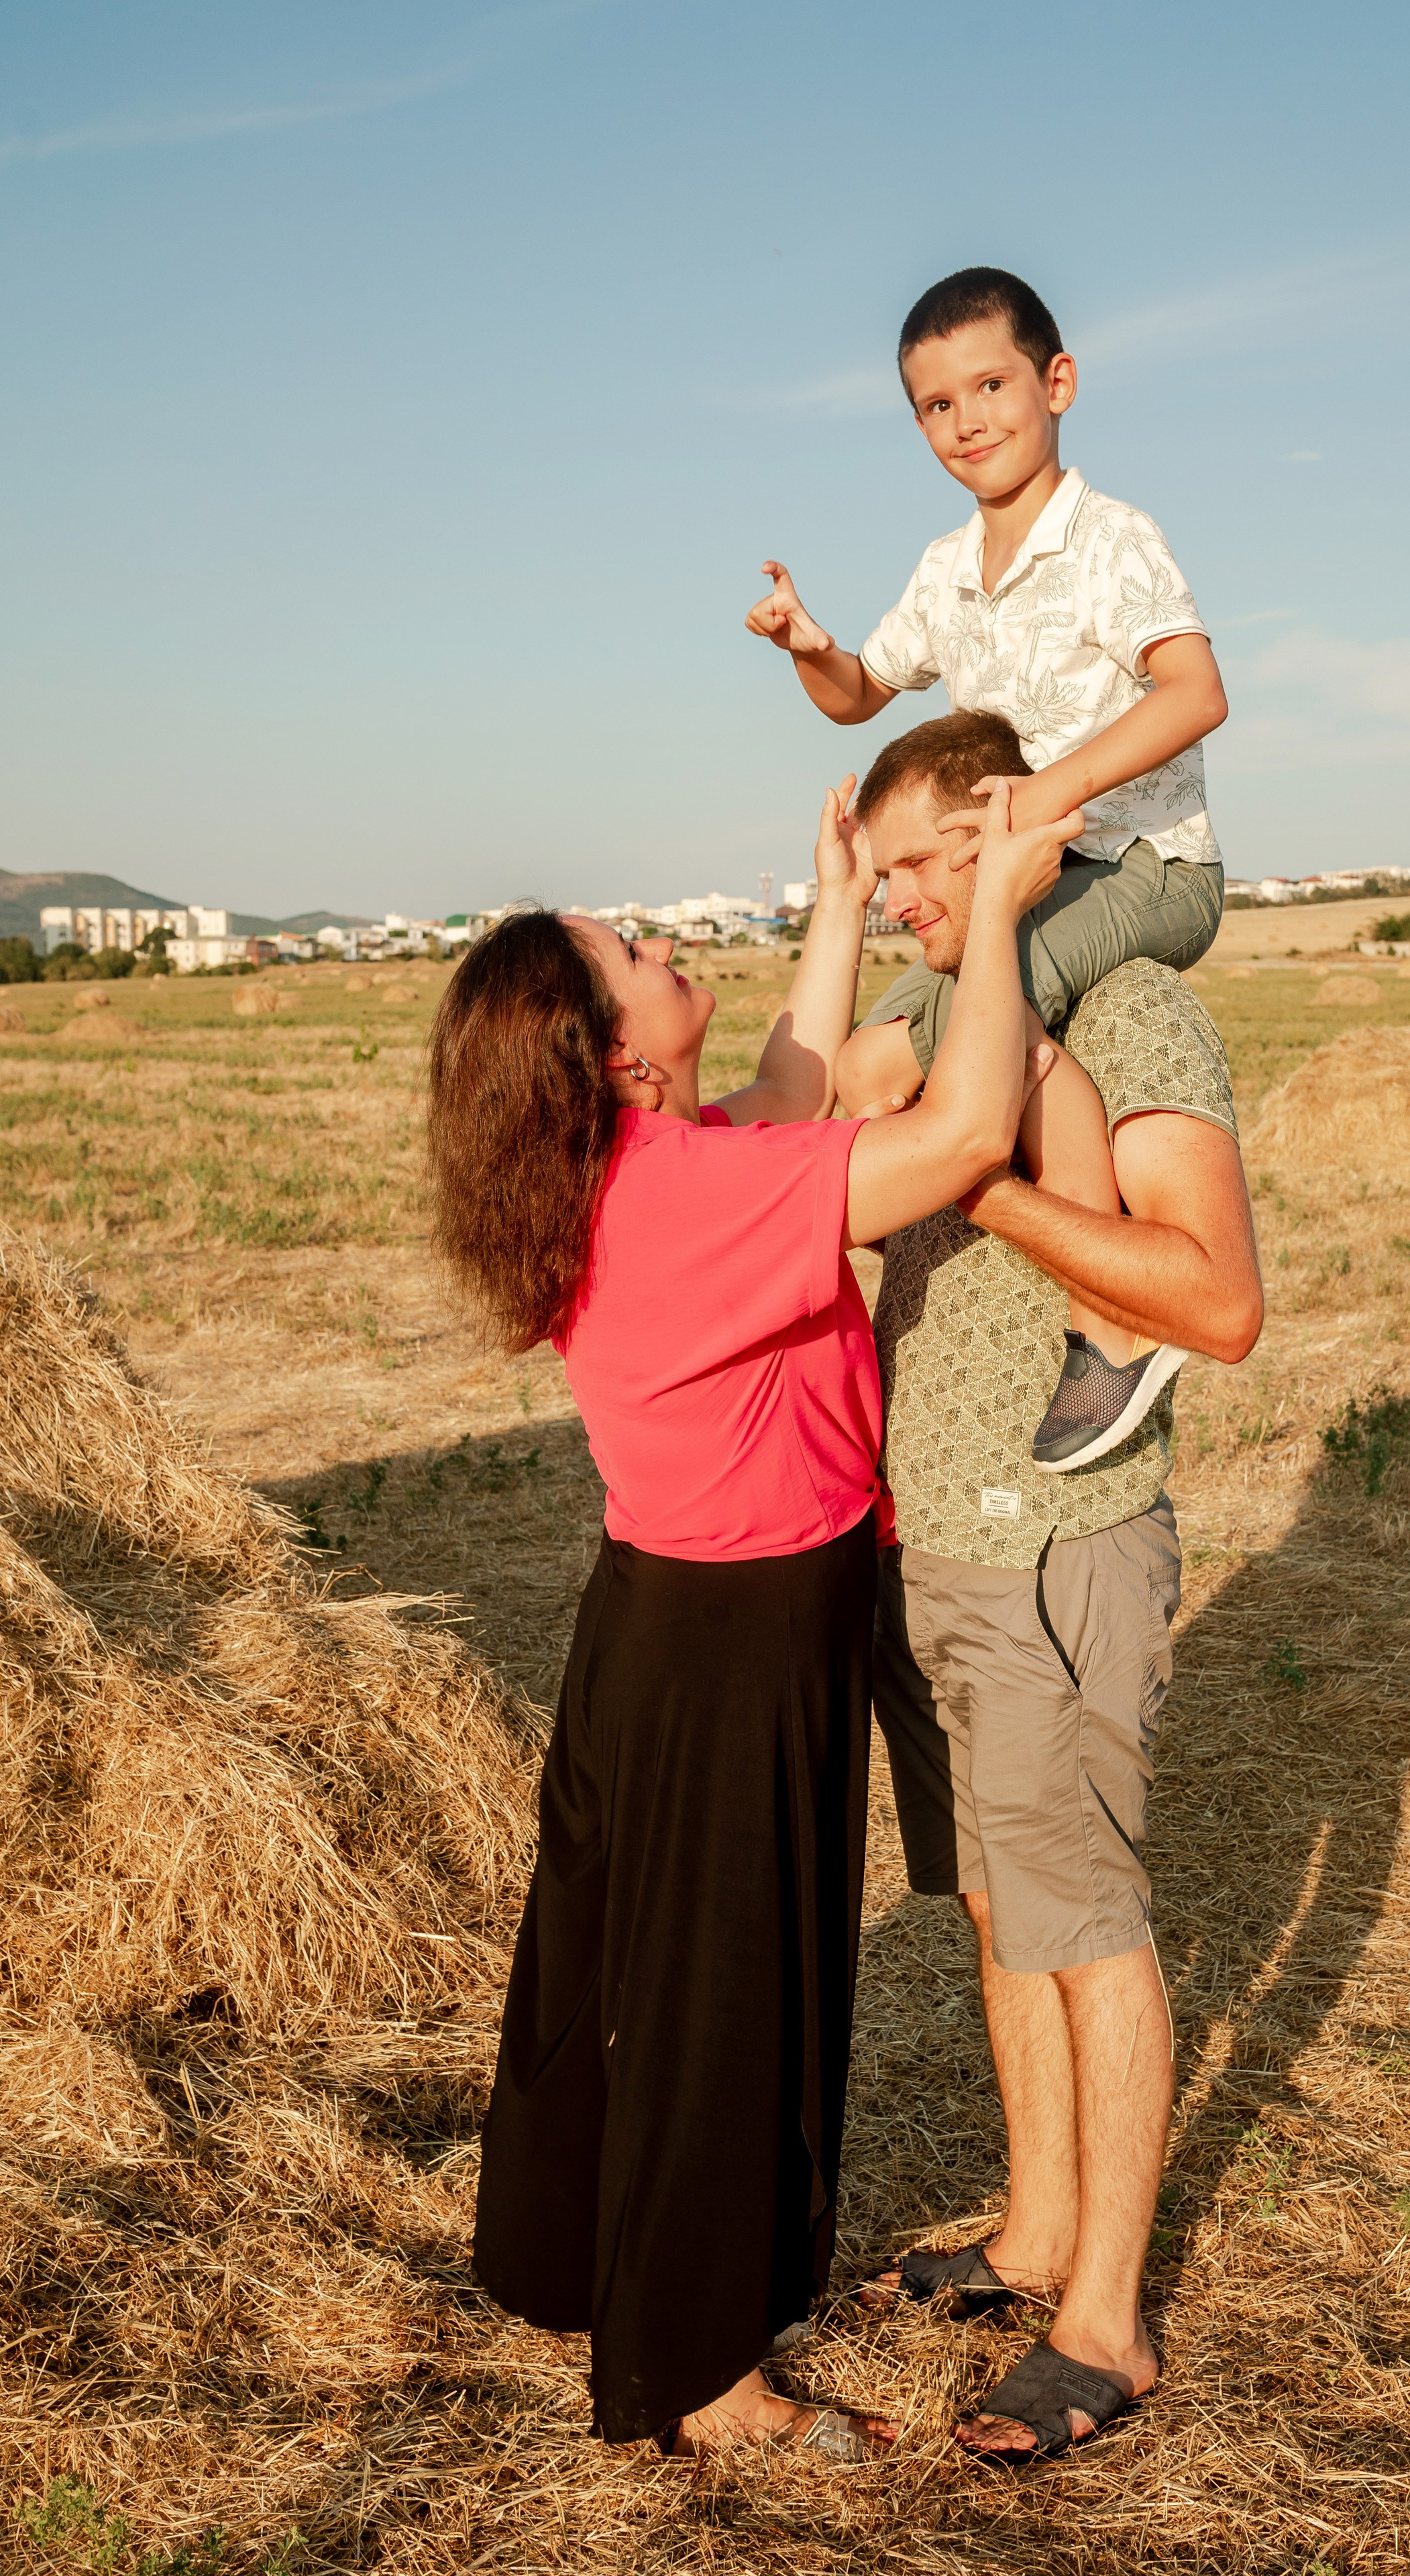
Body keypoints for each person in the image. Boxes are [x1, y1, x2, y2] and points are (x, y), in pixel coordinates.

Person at [424, 769, 1079, 2460]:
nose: (657, 941)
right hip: (733, 1639)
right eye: (629, 949)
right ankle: (701, 2381)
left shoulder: (643, 1167)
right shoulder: (679, 1196)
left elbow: (793, 1085)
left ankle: (577, 2262)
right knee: (728, 1998)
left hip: (658, 1619)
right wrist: (992, 911)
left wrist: (837, 898)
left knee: (623, 1967)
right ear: (612, 1049)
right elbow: (956, 1139)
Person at [842, 712, 1264, 2467]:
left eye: (925, 869)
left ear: (1007, 832)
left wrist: (998, 1191)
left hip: (1054, 1540)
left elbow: (1213, 1301)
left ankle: (1105, 2323)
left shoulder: (1132, 1012)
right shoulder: (949, 1014)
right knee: (1009, 1911)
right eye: (883, 884)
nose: (906, 909)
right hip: (938, 1548)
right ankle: (1031, 2233)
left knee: (1084, 1920)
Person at [746, 263, 1230, 1470]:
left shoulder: (1112, 542)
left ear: (1056, 382)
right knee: (869, 1062)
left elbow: (1197, 692)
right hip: (1030, 881)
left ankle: (1112, 1318)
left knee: (992, 1020)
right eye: (935, 405)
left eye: (991, 385)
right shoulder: (945, 570)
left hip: (1137, 863)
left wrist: (1049, 797)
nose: (967, 420)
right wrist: (809, 646)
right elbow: (859, 696)